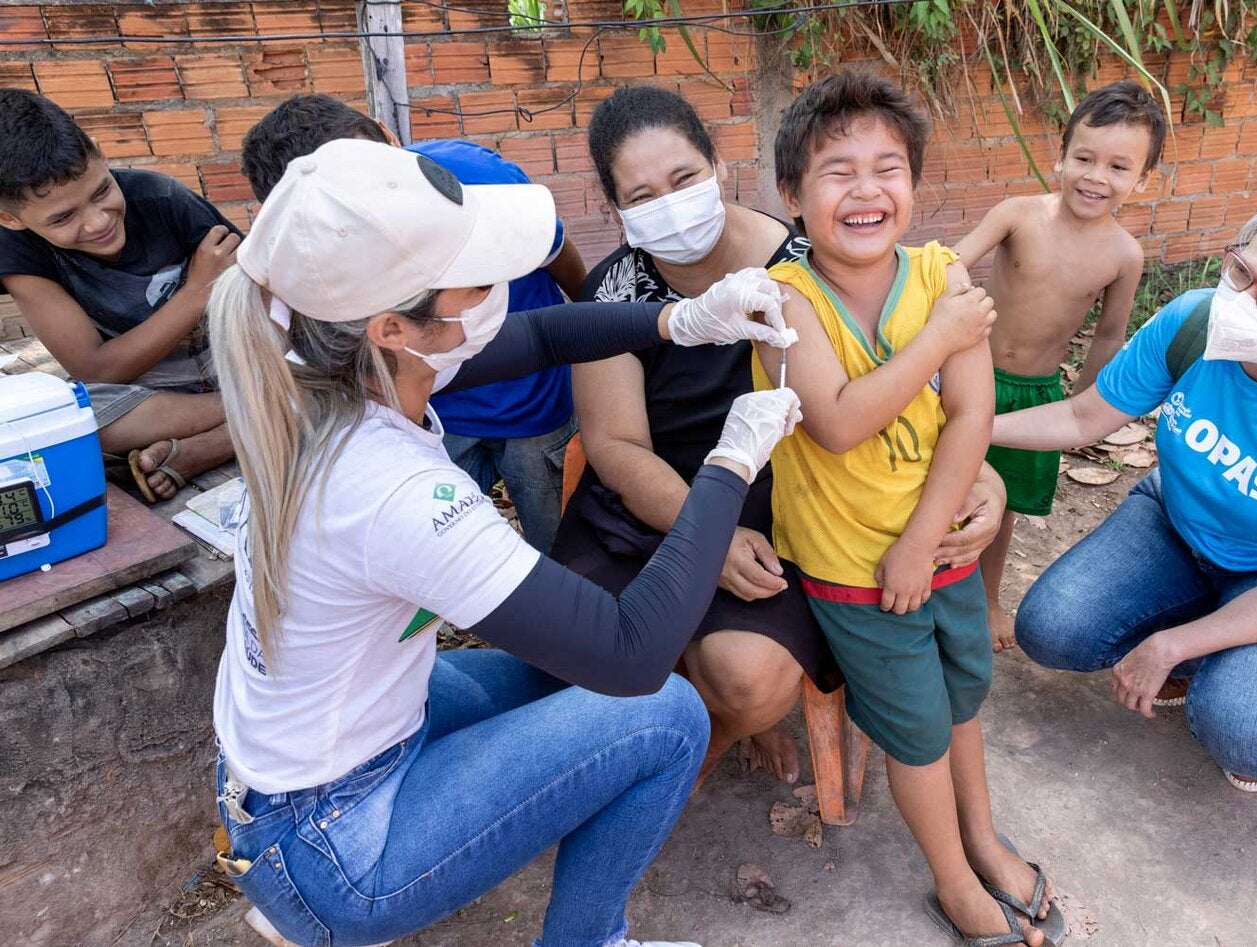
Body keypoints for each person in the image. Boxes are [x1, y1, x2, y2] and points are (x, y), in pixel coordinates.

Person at [208, 138, 802, 947]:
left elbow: (543, 337)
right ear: (392, 326)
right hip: (334, 838)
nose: (500, 293)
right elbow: (630, 653)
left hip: (310, 764)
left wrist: (683, 318)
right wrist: (730, 461)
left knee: (554, 670)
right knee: (665, 711)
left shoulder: (329, 366)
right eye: (478, 278)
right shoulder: (393, 490)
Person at [555, 85, 1006, 787]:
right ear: (615, 207)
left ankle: (707, 743)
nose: (669, 203)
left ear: (719, 168)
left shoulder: (809, 260)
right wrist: (703, 529)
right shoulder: (615, 293)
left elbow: (911, 386)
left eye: (682, 179)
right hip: (655, 509)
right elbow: (615, 445)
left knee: (749, 680)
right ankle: (681, 737)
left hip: (789, 505)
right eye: (641, 195)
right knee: (581, 654)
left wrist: (981, 476)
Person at [753, 73, 1062, 947]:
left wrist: (928, 538)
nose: (866, 190)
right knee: (919, 730)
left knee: (964, 696)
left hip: (941, 549)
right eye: (836, 170)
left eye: (888, 168)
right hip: (858, 570)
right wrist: (937, 338)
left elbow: (972, 413)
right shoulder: (785, 303)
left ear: (916, 186)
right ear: (791, 196)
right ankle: (956, 881)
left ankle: (983, 837)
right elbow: (841, 422)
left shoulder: (941, 272)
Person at [995, 192, 1257, 794]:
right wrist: (966, 426)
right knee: (1051, 629)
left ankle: (1224, 658)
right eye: (1241, 270)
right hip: (1179, 524)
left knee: (1249, 731)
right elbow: (1083, 419)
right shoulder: (1193, 322)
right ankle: (1215, 640)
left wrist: (1171, 644)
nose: (1240, 301)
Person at [238, 93, 587, 551]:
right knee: (438, 544)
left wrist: (595, 312)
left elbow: (552, 254)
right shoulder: (310, 268)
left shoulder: (481, 182)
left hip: (531, 404)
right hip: (436, 415)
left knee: (560, 546)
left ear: (388, 135)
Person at [951, 80, 1166, 652]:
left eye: (1119, 167)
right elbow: (952, 264)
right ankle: (930, 588)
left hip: (1037, 396)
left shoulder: (1124, 254)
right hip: (967, 376)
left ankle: (987, 599)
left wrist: (1084, 406)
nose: (1097, 176)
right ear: (1061, 155)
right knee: (940, 485)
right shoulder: (1017, 214)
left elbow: (1109, 333)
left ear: (1142, 181)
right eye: (1085, 158)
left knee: (1003, 507)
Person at [0, 88, 237, 501]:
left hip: (232, 361)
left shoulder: (161, 197)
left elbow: (265, 295)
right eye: (63, 217)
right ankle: (260, 413)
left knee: (333, 347)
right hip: (153, 397)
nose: (96, 222)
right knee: (66, 418)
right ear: (9, 218)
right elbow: (96, 370)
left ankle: (215, 442)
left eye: (101, 192)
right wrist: (196, 291)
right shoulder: (16, 252)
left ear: (98, 152)